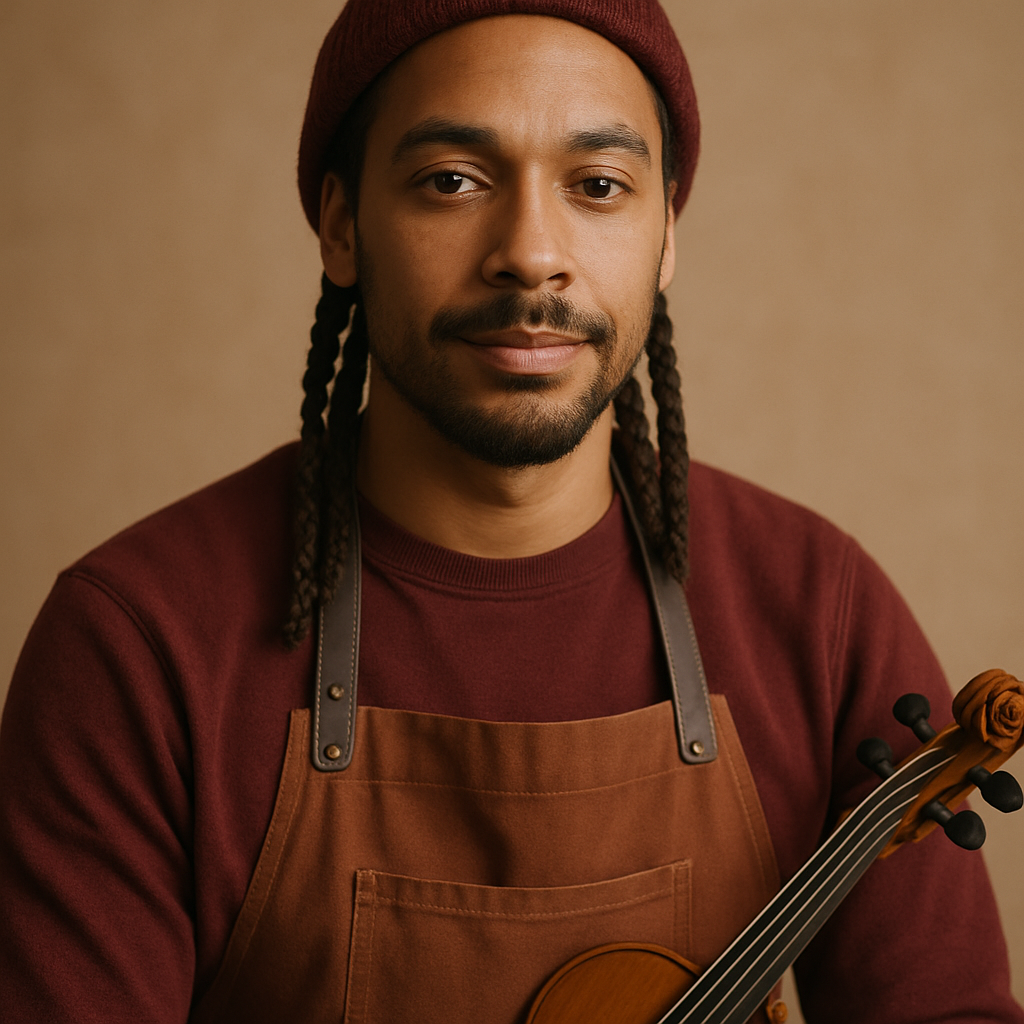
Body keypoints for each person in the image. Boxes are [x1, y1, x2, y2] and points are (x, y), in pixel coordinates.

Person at [1, 0, 1020, 1021]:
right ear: (343, 223)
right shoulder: (133, 642)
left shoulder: (818, 608)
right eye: (452, 180)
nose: (531, 252)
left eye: (598, 186)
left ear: (666, 232)